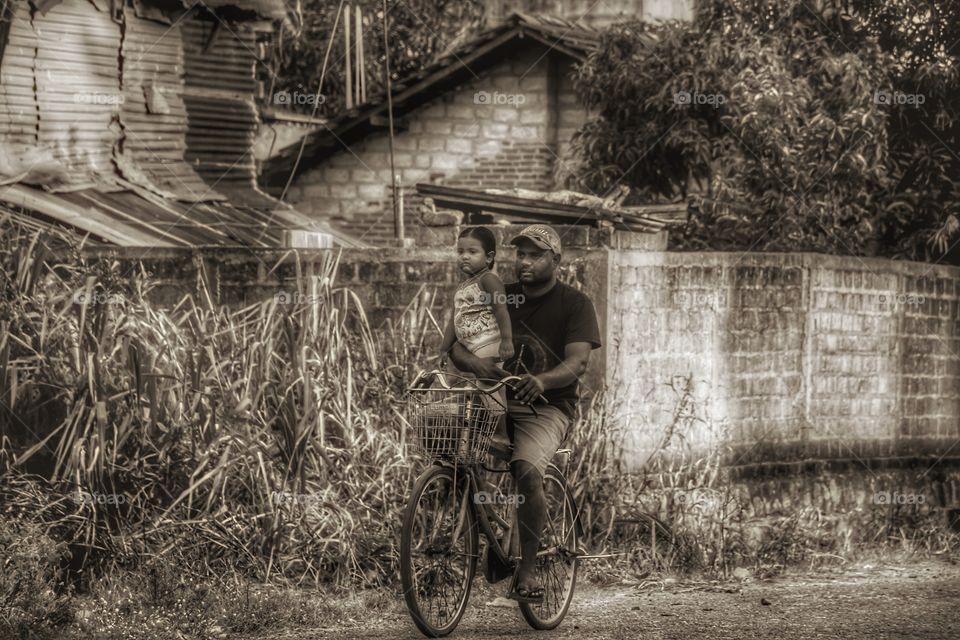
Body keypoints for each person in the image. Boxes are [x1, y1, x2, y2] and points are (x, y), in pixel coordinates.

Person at [446, 224, 602, 603]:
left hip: (547, 406)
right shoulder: (498, 293)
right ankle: (496, 535)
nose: (525, 261)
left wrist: (543, 382)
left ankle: (527, 573)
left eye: (536, 255)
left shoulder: (575, 303)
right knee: (453, 452)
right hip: (494, 396)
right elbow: (456, 343)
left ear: (556, 260)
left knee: (528, 470)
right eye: (521, 254)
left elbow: (578, 362)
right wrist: (474, 365)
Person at [438, 226, 515, 368]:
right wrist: (444, 348)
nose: (465, 256)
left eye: (472, 252)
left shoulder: (488, 279)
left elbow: (501, 310)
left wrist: (506, 340)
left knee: (491, 384)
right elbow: (453, 321)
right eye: (460, 252)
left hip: (489, 344)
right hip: (472, 349)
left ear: (489, 257)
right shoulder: (462, 287)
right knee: (483, 385)